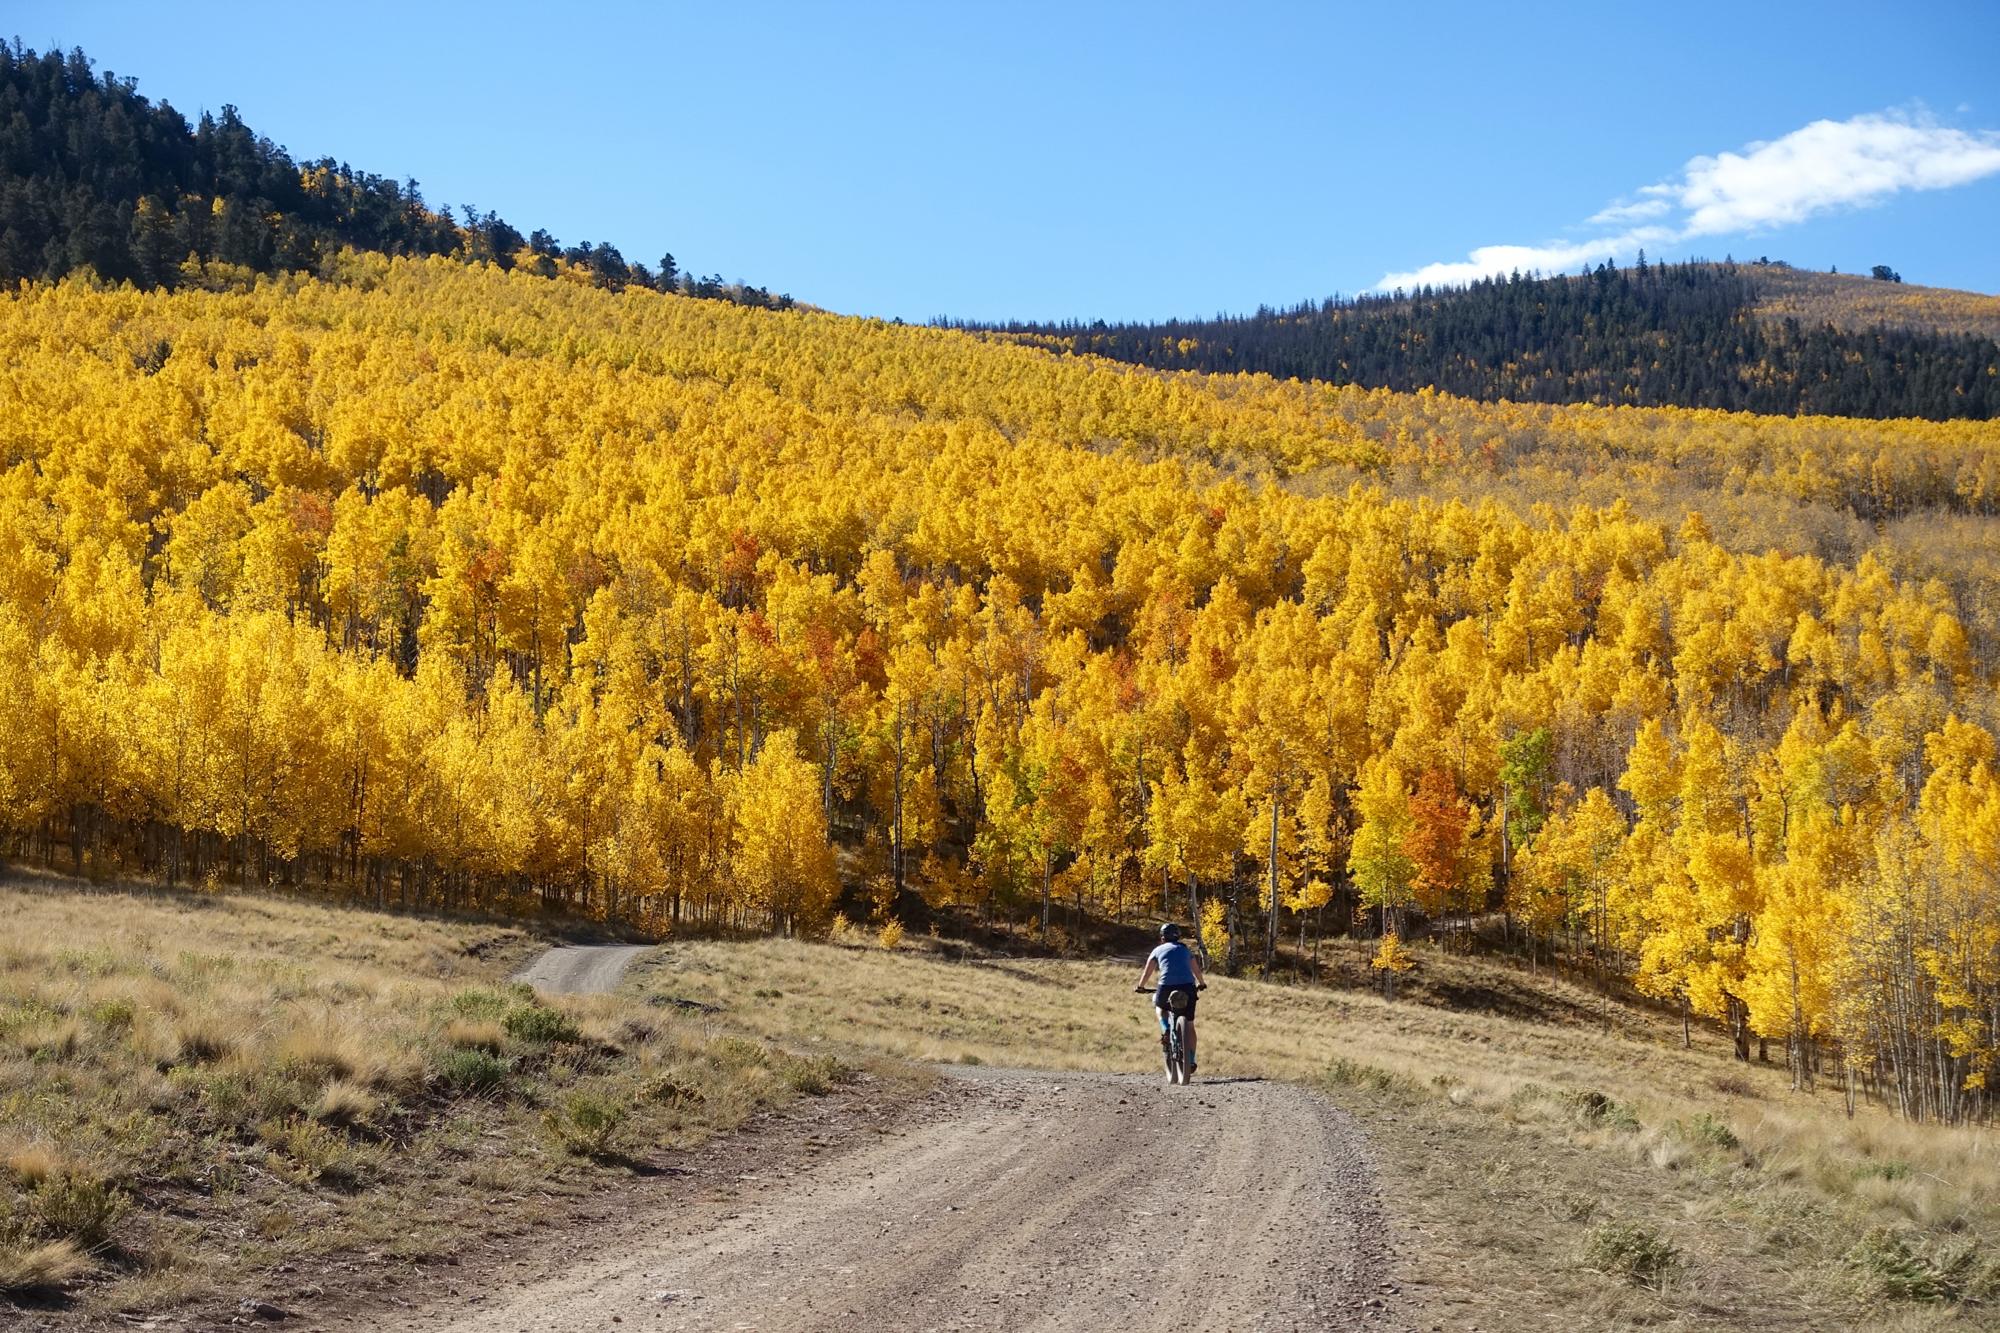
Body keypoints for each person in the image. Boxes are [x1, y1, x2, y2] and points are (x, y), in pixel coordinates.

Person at [1135, 922, 1206, 1076]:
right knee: (1189, 1024)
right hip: (1188, 986)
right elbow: (1196, 969)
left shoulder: (1157, 950)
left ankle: (1166, 1027)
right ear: (1178, 937)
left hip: (1165, 986)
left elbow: (1147, 972)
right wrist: (1201, 983)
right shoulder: (1185, 950)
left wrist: (1140, 986)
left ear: (1162, 938)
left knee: (1160, 1007)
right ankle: (1191, 1060)